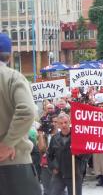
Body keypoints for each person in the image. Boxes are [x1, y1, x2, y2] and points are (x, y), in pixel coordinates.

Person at [0, 33, 41, 195]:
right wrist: (8, 143)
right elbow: (27, 111)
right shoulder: (13, 78)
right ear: (9, 57)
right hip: (15, 163)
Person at [47, 113, 89, 195]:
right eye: (61, 123)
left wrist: (79, 154)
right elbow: (49, 155)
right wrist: (53, 167)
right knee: (54, 193)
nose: (64, 125)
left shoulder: (78, 136)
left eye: (65, 122)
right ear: (58, 125)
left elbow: (87, 153)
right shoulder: (54, 138)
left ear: (70, 122)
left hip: (74, 172)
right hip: (59, 173)